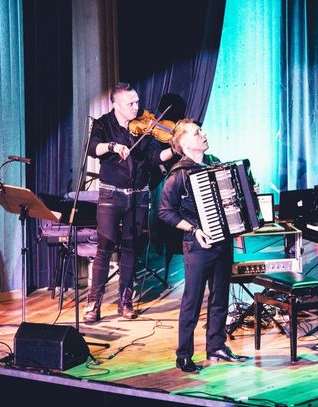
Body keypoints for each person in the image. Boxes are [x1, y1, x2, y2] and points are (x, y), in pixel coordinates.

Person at [158, 118, 249, 372]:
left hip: (222, 241)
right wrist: (194, 230)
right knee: (193, 299)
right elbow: (165, 211)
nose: (204, 134)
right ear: (186, 143)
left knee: (220, 296)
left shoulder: (215, 163)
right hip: (197, 244)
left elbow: (230, 199)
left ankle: (216, 345)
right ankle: (184, 355)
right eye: (198, 133)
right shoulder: (178, 174)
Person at [83, 82, 176, 323]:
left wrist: (175, 149)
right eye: (130, 103)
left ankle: (125, 300)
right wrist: (113, 146)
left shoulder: (145, 126)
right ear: (116, 104)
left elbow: (155, 157)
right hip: (111, 195)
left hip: (138, 195)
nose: (136, 107)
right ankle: (94, 303)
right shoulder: (103, 124)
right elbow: (92, 148)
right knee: (104, 247)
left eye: (137, 102)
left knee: (131, 247)